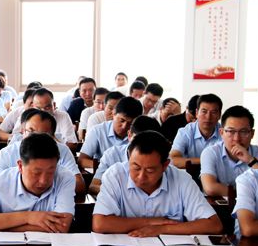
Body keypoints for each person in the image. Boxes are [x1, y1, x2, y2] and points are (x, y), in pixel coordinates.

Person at [92, 131, 223, 236]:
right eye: (136, 167)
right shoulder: (115, 175)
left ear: (165, 165)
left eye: (150, 170)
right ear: (129, 157)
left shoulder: (182, 180)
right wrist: (152, 222)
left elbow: (214, 225)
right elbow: (100, 224)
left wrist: (162, 229)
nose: (141, 176)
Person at [0, 133, 75, 234]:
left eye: (50, 172)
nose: (43, 181)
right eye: (36, 173)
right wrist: (29, 217)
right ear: (20, 166)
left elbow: (61, 227)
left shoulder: (65, 178)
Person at [0, 109, 86, 194]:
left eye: (42, 134)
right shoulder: (7, 153)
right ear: (23, 131)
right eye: (31, 131)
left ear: (53, 136)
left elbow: (79, 185)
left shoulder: (62, 150)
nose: (35, 137)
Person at [200, 106, 258, 197]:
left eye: (243, 132)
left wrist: (250, 160)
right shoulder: (210, 153)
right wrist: (248, 193)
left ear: (252, 134)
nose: (237, 139)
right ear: (221, 133)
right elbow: (210, 188)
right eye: (231, 131)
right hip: (217, 205)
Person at [89, 116, 160, 196]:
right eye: (138, 141)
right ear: (129, 135)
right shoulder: (112, 154)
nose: (143, 148)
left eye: (149, 144)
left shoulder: (161, 159)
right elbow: (93, 186)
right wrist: (122, 195)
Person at [78, 96, 142, 169]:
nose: (124, 126)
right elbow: (82, 160)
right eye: (122, 120)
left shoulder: (140, 135)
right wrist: (106, 166)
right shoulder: (98, 131)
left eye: (130, 124)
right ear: (113, 114)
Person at [170, 93, 223, 168]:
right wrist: (206, 160)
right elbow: (173, 160)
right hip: (189, 174)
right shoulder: (185, 132)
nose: (208, 117)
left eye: (213, 112)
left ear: (219, 115)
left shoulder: (226, 134)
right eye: (204, 111)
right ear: (197, 113)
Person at [11, 88, 78, 146]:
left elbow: (72, 144)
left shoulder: (63, 116)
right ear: (33, 106)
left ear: (54, 105)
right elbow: (15, 139)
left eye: (47, 108)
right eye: (38, 108)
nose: (43, 112)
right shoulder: (26, 117)